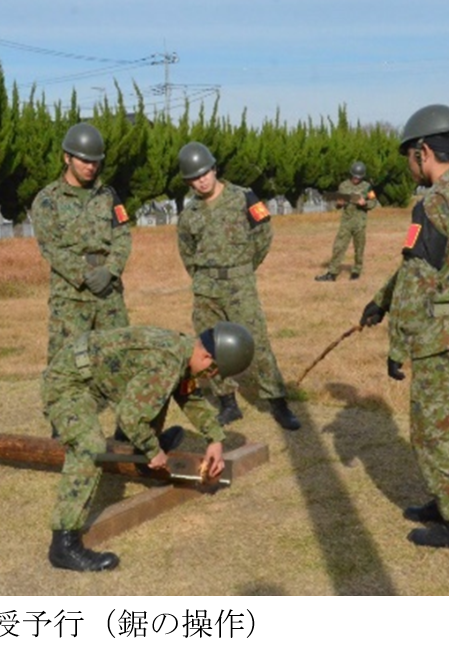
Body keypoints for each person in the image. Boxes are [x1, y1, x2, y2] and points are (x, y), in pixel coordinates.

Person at [359, 104, 449, 550]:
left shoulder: (433, 203)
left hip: (441, 337)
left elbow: (419, 279)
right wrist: (380, 301)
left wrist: (397, 345)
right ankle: (444, 500)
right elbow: (425, 264)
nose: (409, 166)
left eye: (409, 157)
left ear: (423, 151)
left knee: (435, 432)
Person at [42, 322, 254, 571]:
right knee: (89, 445)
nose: (210, 378)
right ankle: (63, 544)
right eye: (213, 372)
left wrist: (215, 439)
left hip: (96, 375)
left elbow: (188, 394)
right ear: (207, 356)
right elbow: (130, 418)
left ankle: (136, 448)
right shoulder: (166, 363)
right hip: (68, 381)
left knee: (153, 401)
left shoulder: (186, 351)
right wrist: (153, 450)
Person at [176, 141, 300, 431]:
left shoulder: (243, 197)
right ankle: (227, 402)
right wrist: (202, 277)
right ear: (188, 181)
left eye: (205, 172)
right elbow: (187, 251)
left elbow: (263, 234)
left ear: (214, 168)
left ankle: (277, 402)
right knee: (210, 347)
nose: (202, 179)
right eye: (194, 177)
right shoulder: (189, 213)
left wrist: (244, 267)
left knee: (256, 341)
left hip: (239, 283)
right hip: (206, 287)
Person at [31, 122, 132, 365]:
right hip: (70, 297)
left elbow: (123, 236)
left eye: (96, 161)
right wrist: (86, 275)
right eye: (84, 161)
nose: (91, 167)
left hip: (109, 294)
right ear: (67, 158)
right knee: (66, 367)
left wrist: (110, 271)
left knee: (119, 361)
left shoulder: (108, 196)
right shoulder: (48, 200)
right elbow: (50, 247)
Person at [315, 161, 379, 282]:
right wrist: (339, 204)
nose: (356, 179)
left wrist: (365, 203)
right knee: (338, 247)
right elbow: (338, 203)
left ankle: (356, 271)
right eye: (354, 176)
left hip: (360, 223)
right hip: (346, 222)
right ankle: (332, 273)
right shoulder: (343, 186)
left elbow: (374, 202)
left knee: (359, 248)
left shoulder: (367, 187)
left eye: (358, 177)